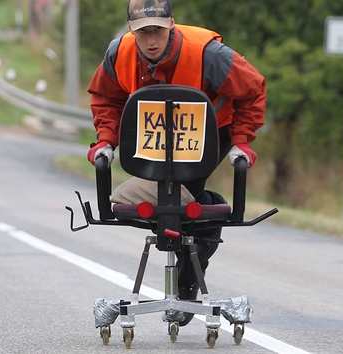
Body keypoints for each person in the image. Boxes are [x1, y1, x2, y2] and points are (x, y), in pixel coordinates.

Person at [86, 0, 266, 326]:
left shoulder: (209, 54)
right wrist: (106, 141)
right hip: (152, 138)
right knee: (167, 205)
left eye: (158, 30)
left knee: (180, 205)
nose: (151, 40)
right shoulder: (119, 53)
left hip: (207, 135)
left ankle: (184, 286)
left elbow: (252, 89)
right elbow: (105, 97)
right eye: (143, 33)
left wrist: (241, 142)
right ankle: (206, 223)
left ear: (172, 25)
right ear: (131, 31)